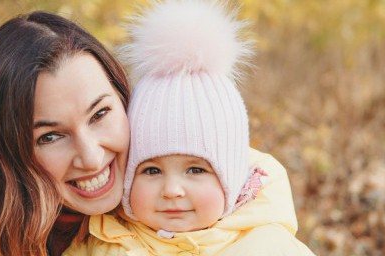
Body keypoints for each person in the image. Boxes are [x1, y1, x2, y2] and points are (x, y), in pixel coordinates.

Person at [63, 1, 315, 255]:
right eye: (151, 170)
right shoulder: (101, 242)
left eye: (196, 169)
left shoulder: (268, 246)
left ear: (233, 180)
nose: (172, 190)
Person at [0, 11, 131, 256]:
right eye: (50, 137)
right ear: (6, 152)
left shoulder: (180, 198)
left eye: (99, 114)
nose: (91, 159)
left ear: (123, 97)